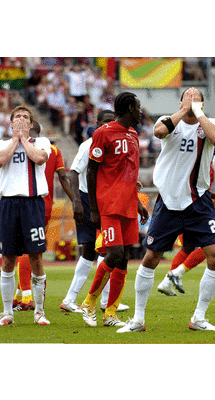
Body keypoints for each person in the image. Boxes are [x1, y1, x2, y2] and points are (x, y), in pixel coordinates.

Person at [118, 87, 215, 334]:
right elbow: (159, 132)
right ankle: (138, 319)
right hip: (169, 201)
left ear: (202, 105)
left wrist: (197, 112)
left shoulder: (210, 123)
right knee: (151, 257)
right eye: (187, 96)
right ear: (179, 103)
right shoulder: (168, 121)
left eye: (196, 98)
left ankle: (199, 317)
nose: (191, 99)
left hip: (198, 200)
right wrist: (184, 110)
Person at [81, 92, 149, 328]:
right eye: (138, 107)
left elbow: (128, 173)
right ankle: (89, 303)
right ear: (129, 108)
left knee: (124, 259)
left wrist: (138, 203)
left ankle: (110, 314)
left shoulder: (133, 134)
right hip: (108, 204)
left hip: (128, 205)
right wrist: (93, 209)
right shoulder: (103, 133)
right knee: (114, 253)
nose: (140, 111)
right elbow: (91, 171)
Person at [61, 110, 128, 314]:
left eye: (111, 122)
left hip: (104, 201)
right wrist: (77, 202)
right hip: (87, 200)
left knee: (100, 250)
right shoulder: (88, 145)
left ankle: (85, 299)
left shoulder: (113, 145)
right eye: (104, 122)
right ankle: (77, 299)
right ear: (97, 124)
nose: (108, 125)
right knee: (98, 250)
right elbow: (73, 173)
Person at [0, 106, 51, 326]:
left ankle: (39, 312)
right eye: (17, 117)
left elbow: (39, 158)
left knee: (36, 258)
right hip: (8, 203)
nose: (21, 119)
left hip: (32, 203)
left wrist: (23, 138)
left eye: (26, 117)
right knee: (8, 259)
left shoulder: (41, 142)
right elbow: (0, 160)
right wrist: (15, 139)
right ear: (10, 123)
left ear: (32, 124)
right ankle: (8, 313)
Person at [13, 122, 73, 311]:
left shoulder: (18, 148)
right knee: (33, 249)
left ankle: (26, 297)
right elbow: (63, 177)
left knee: (25, 249)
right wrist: (75, 200)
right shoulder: (53, 150)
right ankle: (19, 295)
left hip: (24, 203)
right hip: (45, 206)